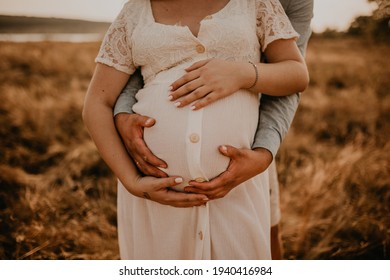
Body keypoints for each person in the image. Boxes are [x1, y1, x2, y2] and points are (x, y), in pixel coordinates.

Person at [83, 0, 309, 259]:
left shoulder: (256, 4)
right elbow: (96, 103)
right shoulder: (135, 11)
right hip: (155, 198)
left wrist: (242, 74)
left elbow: (297, 74)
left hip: (237, 188)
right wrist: (132, 181)